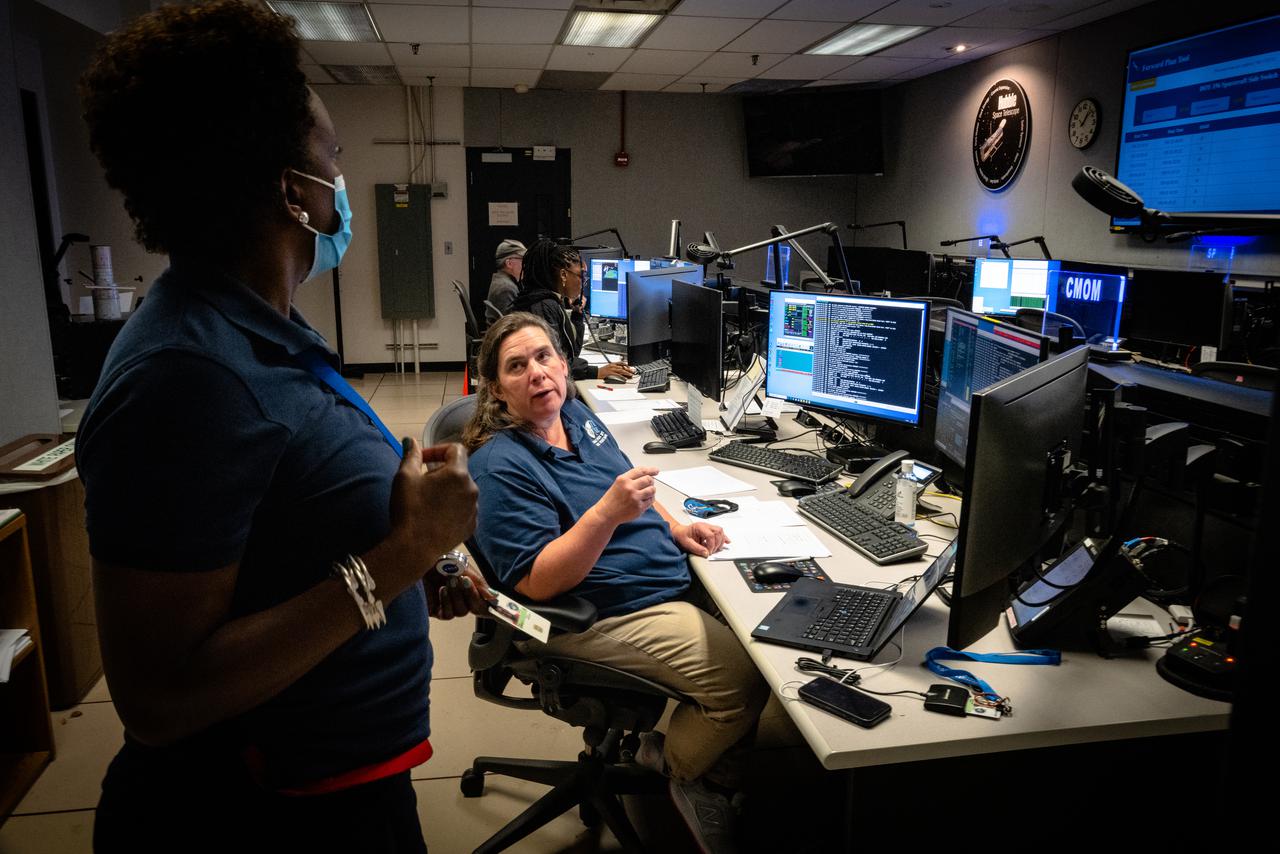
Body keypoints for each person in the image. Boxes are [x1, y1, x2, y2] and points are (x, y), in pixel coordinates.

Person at [75, 3, 490, 850]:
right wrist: (402, 554)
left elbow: (281, 543)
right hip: (267, 815)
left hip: (340, 782)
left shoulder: (256, 328)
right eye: (333, 158)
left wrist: (414, 568)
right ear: (291, 192)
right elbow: (161, 697)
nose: (341, 177)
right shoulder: (187, 376)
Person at [463, 312, 769, 853]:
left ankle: (708, 761)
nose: (537, 373)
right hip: (592, 612)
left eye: (543, 357)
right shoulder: (500, 467)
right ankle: (678, 767)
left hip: (653, 578)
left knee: (765, 627)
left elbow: (633, 489)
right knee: (744, 682)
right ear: (496, 389)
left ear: (563, 364)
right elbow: (536, 583)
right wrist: (606, 514)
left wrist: (676, 528)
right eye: (516, 366)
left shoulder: (575, 415)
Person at [510, 238, 633, 382]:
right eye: (582, 275)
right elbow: (552, 362)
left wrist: (577, 314)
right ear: (563, 275)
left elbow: (571, 353)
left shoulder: (551, 301)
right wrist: (596, 372)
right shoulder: (544, 306)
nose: (584, 283)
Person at [484, 238, 525, 328]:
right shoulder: (506, 288)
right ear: (509, 263)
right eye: (523, 260)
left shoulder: (500, 280)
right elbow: (513, 326)